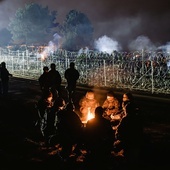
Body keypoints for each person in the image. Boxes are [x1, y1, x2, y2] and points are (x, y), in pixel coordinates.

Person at [115, 92, 143, 168]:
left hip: (129, 140)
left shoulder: (126, 119)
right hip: (136, 139)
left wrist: (117, 136)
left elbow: (119, 131)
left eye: (125, 98)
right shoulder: (136, 117)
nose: (123, 99)